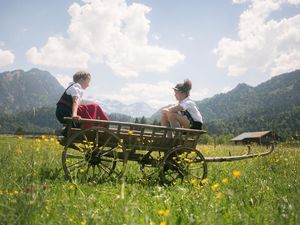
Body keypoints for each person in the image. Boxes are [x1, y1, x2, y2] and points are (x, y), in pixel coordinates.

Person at [56, 70, 108, 136]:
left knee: (75, 127)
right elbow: (75, 102)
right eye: (88, 81)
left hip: (62, 110)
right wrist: (74, 115)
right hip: (65, 111)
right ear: (82, 80)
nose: (88, 85)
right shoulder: (76, 88)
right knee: (95, 106)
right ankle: (103, 124)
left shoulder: (73, 86)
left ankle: (65, 132)